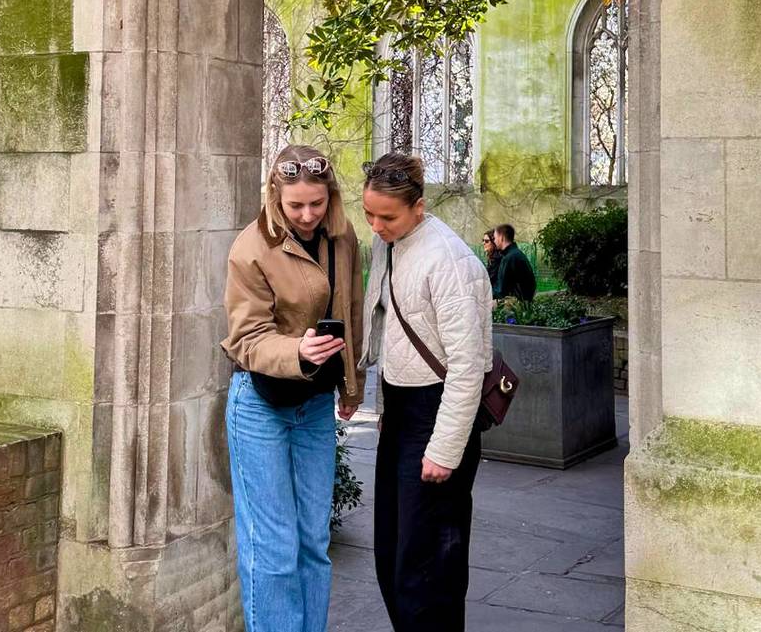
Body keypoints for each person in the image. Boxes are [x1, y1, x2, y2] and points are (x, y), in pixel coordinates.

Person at [222, 144, 365, 632]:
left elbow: (352, 311)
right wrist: (296, 352)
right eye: (295, 205)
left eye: (317, 203)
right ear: (275, 197)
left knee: (312, 543)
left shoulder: (342, 241)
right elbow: (245, 340)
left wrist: (352, 386)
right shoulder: (250, 248)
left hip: (315, 405)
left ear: (331, 198)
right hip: (259, 406)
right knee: (274, 547)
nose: (307, 215)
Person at [360, 152, 493, 632]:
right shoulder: (391, 245)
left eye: (387, 216)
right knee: (393, 551)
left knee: (430, 561)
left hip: (436, 416)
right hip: (400, 412)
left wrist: (443, 449)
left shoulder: (450, 260)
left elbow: (468, 365)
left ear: (419, 206)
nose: (376, 225)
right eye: (369, 213)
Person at [492, 223, 537, 303]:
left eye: (495, 238)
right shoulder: (516, 254)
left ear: (501, 237)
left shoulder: (509, 258)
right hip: (524, 303)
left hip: (516, 306)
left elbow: (501, 290)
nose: (494, 241)